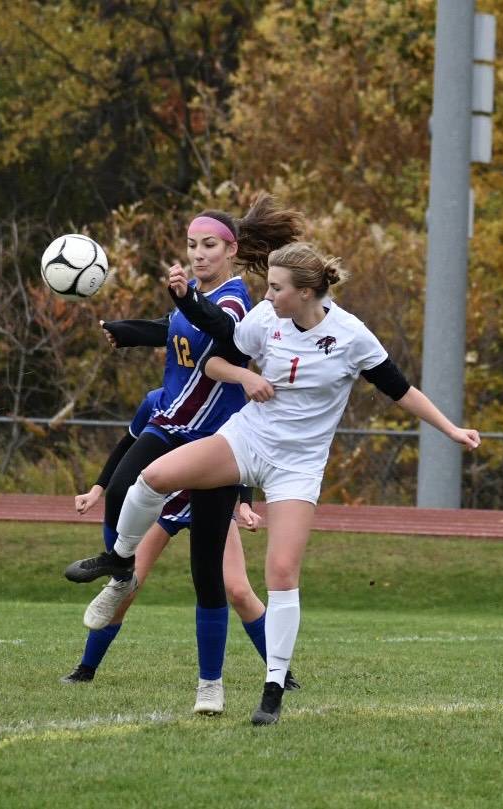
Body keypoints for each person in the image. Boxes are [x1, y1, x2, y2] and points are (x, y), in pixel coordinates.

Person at [75, 241, 481, 726]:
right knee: (154, 476)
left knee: (281, 574)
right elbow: (215, 363)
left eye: (276, 288)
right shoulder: (264, 319)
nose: (266, 296)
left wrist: (451, 429)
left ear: (307, 292)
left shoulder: (351, 336)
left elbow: (401, 390)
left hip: (298, 466)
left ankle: (272, 690)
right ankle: (120, 564)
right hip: (248, 439)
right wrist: (244, 379)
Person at [64, 194, 303, 714]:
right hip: (173, 427)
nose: (198, 253)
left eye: (209, 245)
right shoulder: (193, 296)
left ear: (232, 249)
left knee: (219, 584)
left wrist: (242, 493)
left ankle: (219, 685)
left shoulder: (241, 302)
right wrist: (130, 331)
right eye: (192, 244)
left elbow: (222, 337)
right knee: (127, 490)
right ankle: (113, 583)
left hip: (213, 449)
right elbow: (179, 334)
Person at [62, 387, 300, 709]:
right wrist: (97, 490)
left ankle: (280, 674)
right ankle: (85, 669)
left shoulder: (228, 404)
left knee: (239, 591)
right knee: (124, 588)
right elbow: (128, 447)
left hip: (213, 505)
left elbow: (243, 456)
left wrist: (244, 505)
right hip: (165, 506)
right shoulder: (159, 400)